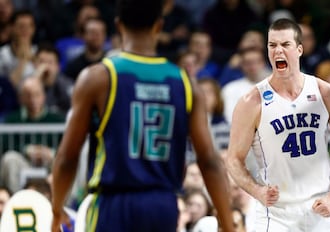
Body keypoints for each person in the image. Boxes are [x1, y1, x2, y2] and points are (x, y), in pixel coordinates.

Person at [50, 0, 234, 231]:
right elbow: (209, 161)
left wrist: (57, 209)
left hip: (114, 202)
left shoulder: (98, 77)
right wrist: (227, 223)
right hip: (163, 205)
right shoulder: (186, 84)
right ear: (159, 25)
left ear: (118, 25)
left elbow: (68, 156)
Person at [225, 18, 330, 231]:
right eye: (272, 45)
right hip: (276, 212)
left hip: (319, 206)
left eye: (285, 44)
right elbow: (233, 158)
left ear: (299, 49)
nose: (278, 50)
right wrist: (256, 190)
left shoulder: (325, 92)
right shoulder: (252, 101)